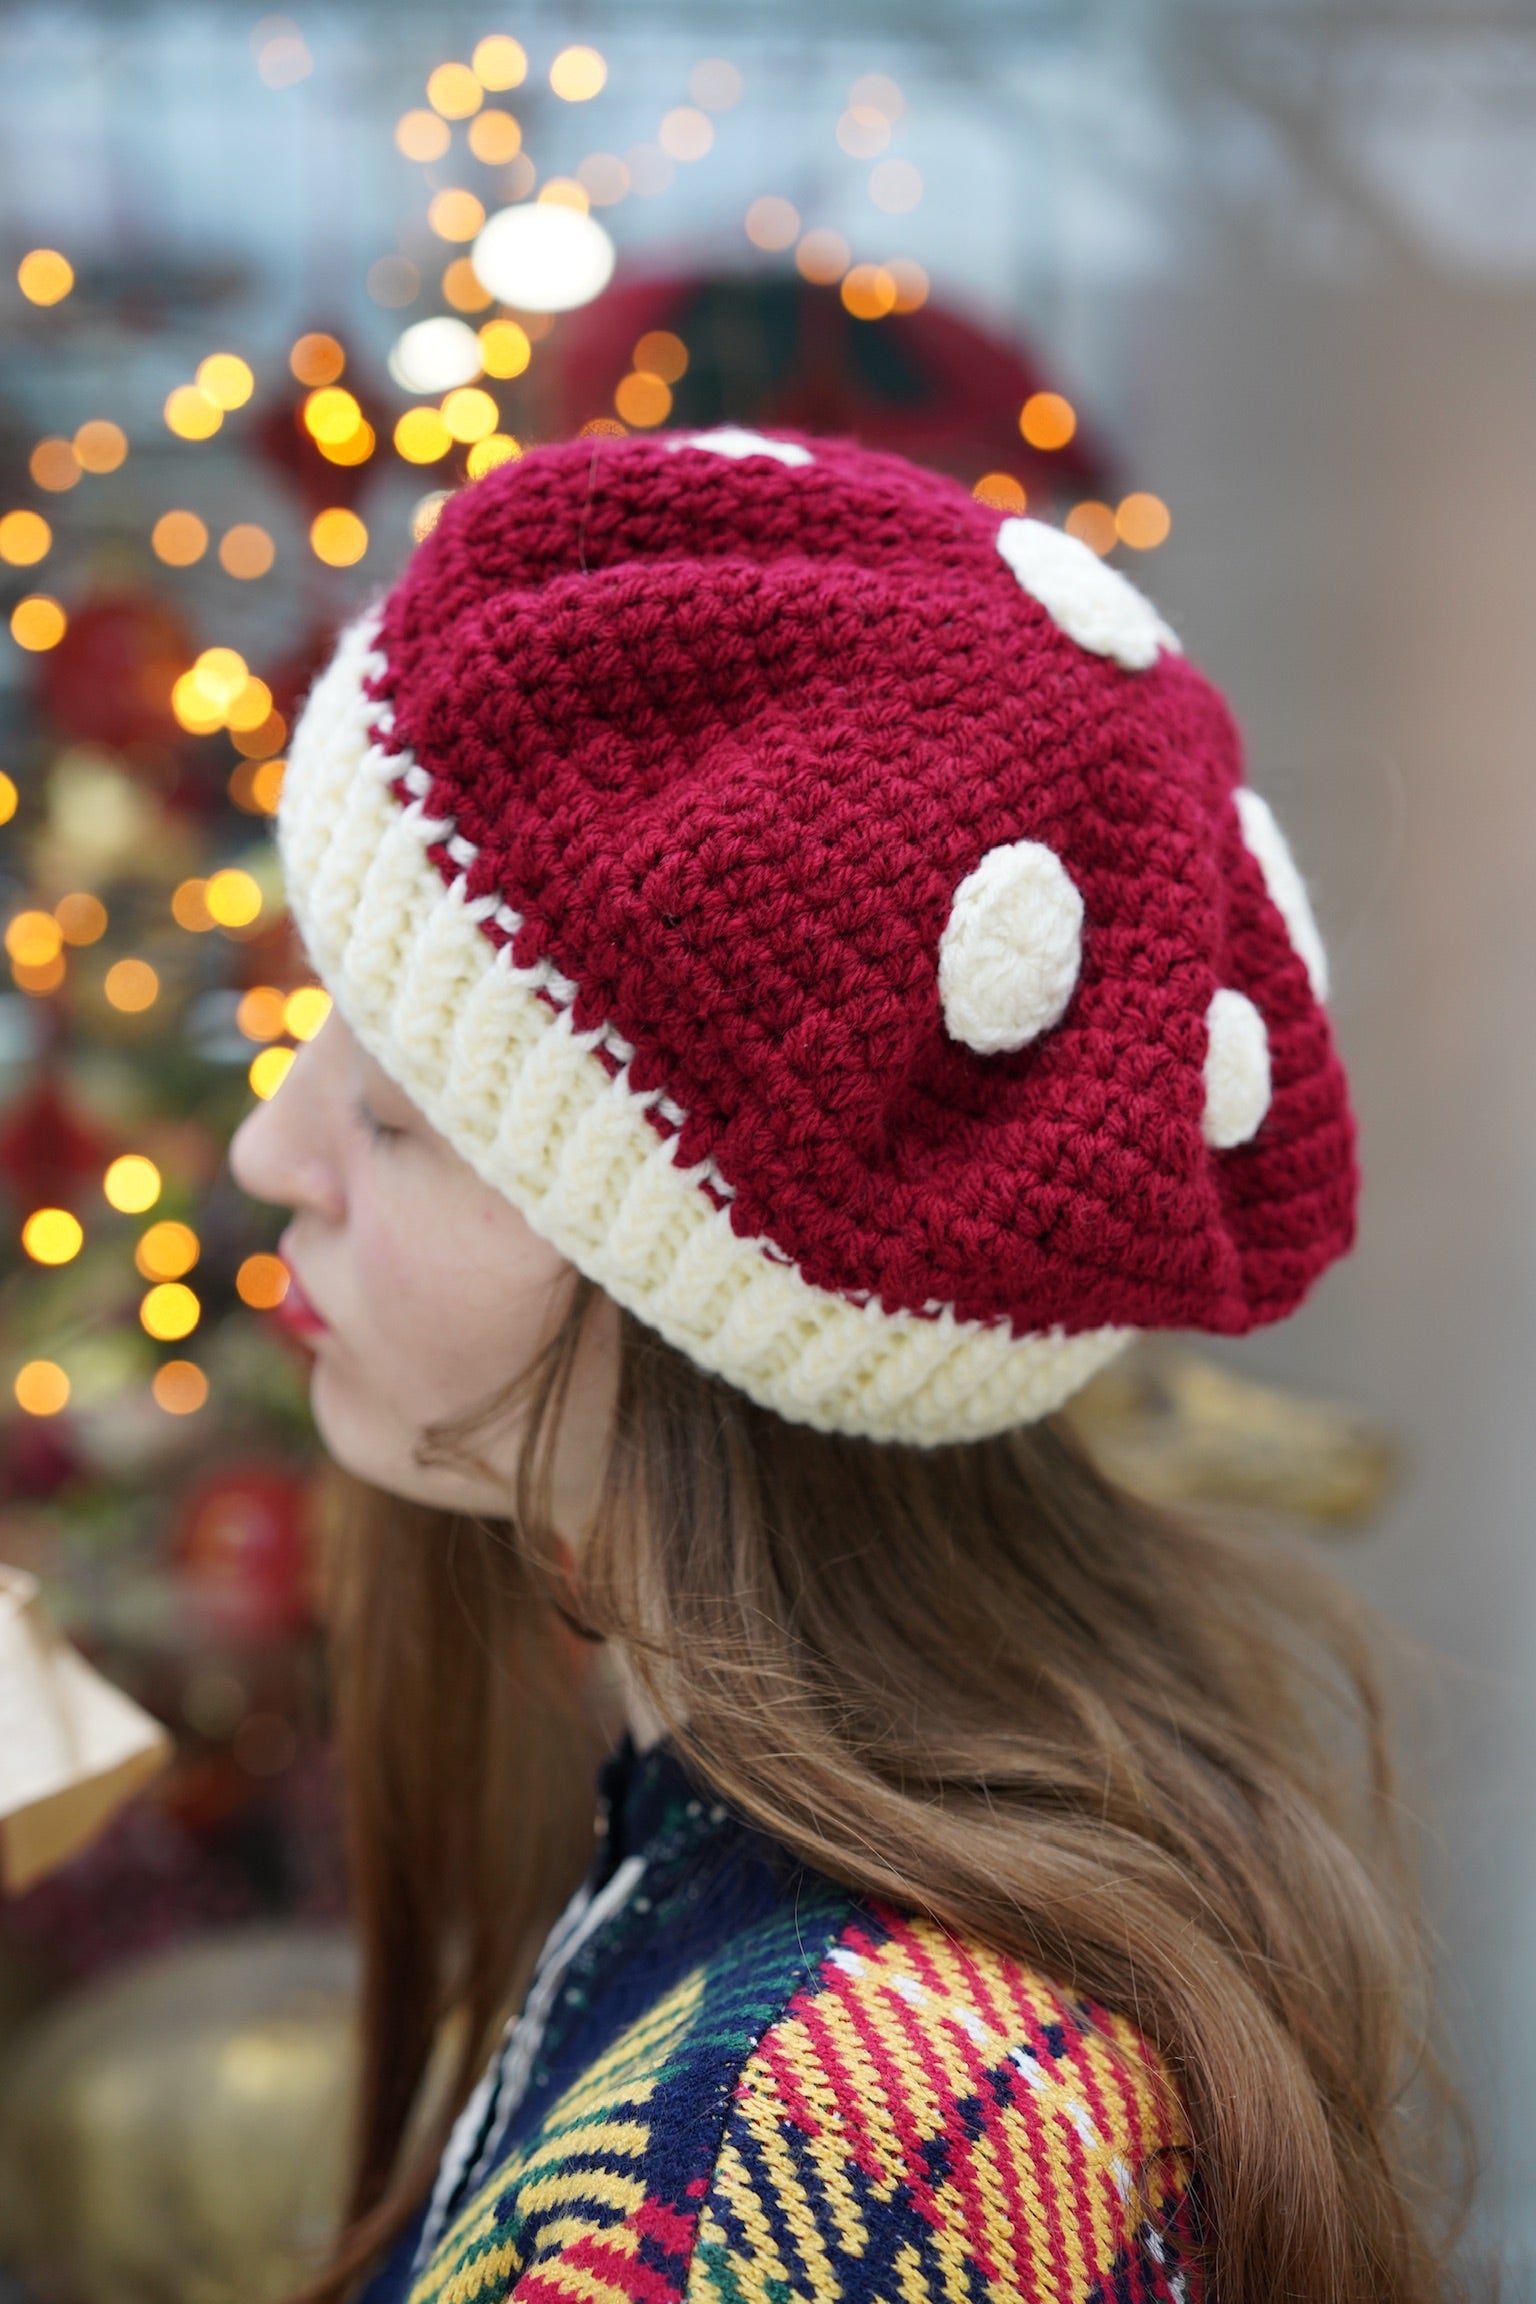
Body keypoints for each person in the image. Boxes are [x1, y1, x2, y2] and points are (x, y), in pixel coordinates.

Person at [229, 429, 1450, 2304]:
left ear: (713, 1302)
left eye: (397, 1119)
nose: (268, 1156)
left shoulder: (797, 2173)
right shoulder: (755, 1871)